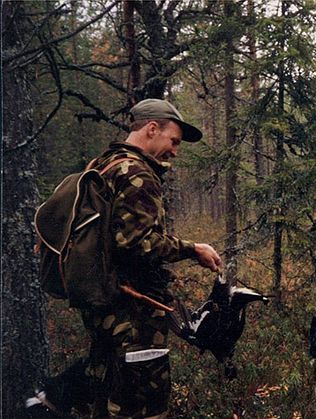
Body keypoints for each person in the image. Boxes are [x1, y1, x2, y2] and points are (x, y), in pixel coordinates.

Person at [26, 99, 223, 418]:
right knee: (141, 405)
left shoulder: (104, 164)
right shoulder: (137, 172)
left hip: (102, 305)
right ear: (152, 128)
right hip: (132, 315)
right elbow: (136, 243)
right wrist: (192, 248)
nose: (175, 151)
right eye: (173, 141)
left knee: (107, 396)